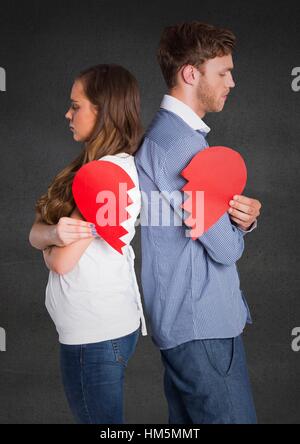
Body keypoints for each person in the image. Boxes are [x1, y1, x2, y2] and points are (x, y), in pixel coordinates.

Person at [135, 21, 262, 424]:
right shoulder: (180, 145)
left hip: (188, 323)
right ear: (191, 73)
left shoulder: (168, 137)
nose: (232, 82)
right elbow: (224, 248)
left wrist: (241, 218)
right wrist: (239, 228)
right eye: (223, 72)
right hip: (202, 325)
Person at [29, 64, 147, 424]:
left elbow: (61, 262)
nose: (67, 114)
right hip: (98, 332)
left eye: (76, 106)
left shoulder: (105, 176)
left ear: (103, 110)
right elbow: (36, 232)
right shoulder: (92, 167)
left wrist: (49, 244)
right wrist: (51, 237)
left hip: (94, 338)